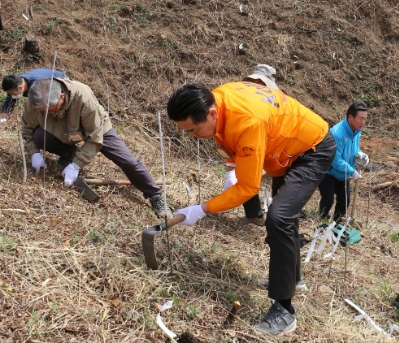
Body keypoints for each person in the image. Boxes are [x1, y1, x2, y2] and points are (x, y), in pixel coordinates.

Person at [167, 82, 336, 336]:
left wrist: (203, 209)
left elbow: (248, 188)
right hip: (283, 147)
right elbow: (229, 140)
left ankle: (284, 310)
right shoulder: (218, 101)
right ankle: (293, 279)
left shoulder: (246, 120)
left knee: (278, 218)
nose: (192, 135)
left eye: (193, 129)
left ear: (211, 113)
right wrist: (231, 168)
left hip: (311, 148)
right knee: (284, 218)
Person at [21, 78, 169, 218]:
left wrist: (76, 165)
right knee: (40, 136)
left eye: (51, 109)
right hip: (63, 130)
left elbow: (95, 137)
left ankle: (155, 195)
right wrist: (34, 153)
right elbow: (27, 129)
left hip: (96, 128)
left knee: (128, 161)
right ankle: (68, 155)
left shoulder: (83, 97)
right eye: (42, 111)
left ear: (61, 96)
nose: (48, 113)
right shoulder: (35, 100)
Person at [222, 64, 280, 226]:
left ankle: (278, 217)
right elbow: (229, 140)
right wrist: (230, 170)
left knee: (280, 182)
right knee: (246, 176)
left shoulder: (276, 100)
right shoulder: (238, 100)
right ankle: (254, 215)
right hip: (250, 147)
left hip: (274, 148)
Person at [318, 101, 369, 222]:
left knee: (344, 200)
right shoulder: (337, 133)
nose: (363, 122)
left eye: (365, 119)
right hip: (328, 172)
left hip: (343, 173)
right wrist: (352, 171)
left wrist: (360, 153)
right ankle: (322, 219)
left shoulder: (356, 130)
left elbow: (353, 147)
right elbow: (336, 160)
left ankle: (337, 225)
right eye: (360, 119)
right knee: (328, 199)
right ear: (350, 117)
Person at [1, 68, 68, 114]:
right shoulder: (15, 83)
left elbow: (46, 101)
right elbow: (9, 101)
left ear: (20, 88)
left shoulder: (38, 84)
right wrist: (4, 113)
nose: (12, 96)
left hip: (63, 82)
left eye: (13, 94)